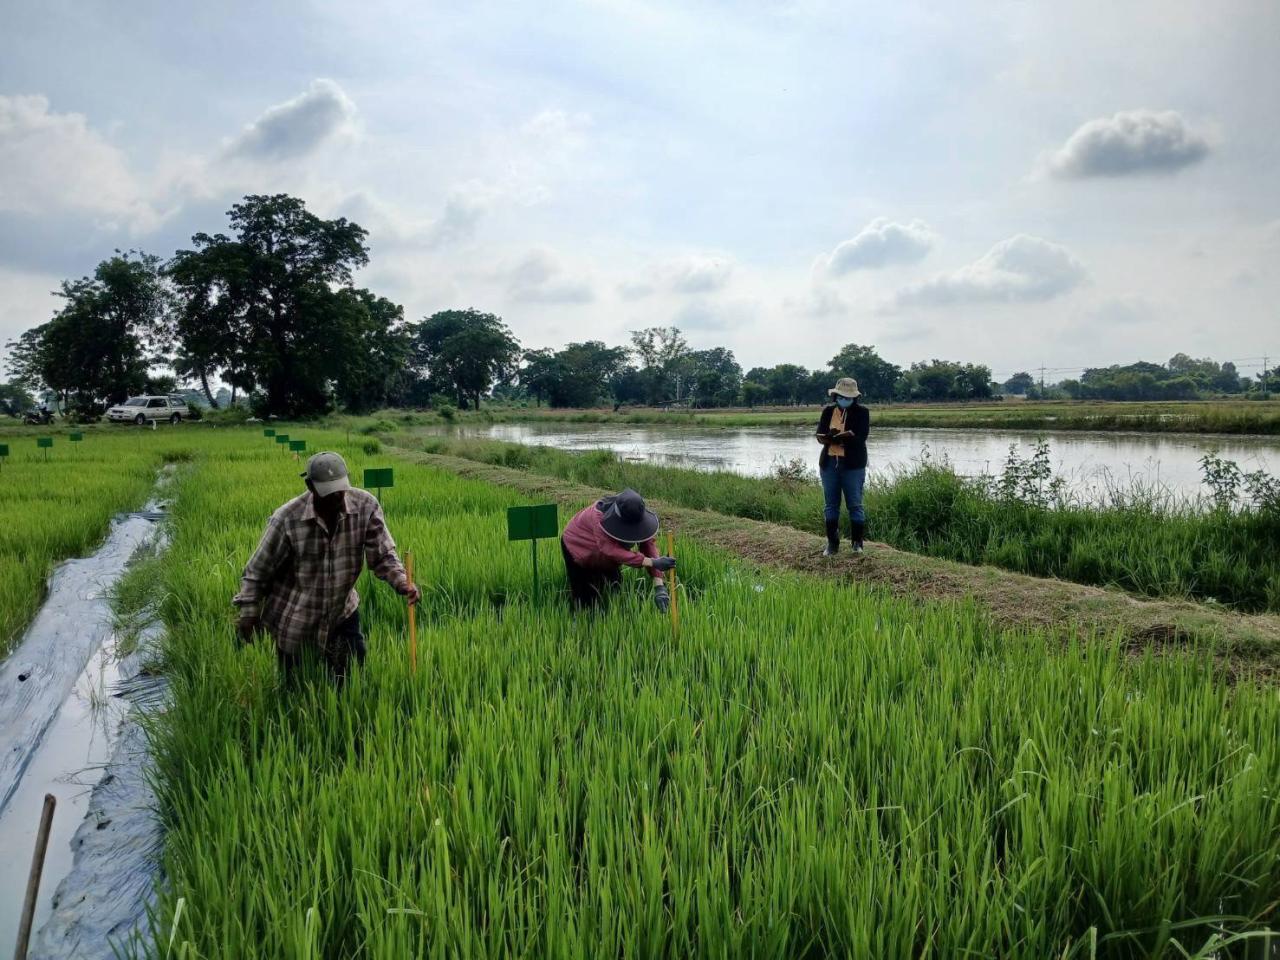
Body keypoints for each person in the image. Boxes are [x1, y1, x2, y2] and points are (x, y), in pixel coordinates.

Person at [233, 451, 421, 683]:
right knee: (298, 689)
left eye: (341, 490)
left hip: (342, 612)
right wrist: (249, 614)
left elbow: (383, 555)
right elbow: (257, 572)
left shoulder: (365, 506)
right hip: (297, 619)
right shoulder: (287, 519)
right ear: (310, 486)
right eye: (328, 493)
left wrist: (402, 582)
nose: (336, 498)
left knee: (351, 679)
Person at [560, 488, 676, 611]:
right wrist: (652, 562)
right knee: (587, 601)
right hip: (578, 549)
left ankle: (610, 618)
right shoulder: (599, 517)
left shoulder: (635, 514)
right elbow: (610, 550)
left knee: (615, 589)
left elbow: (648, 545)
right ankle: (582, 623)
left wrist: (659, 586)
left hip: (606, 559)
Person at [815, 377, 870, 555]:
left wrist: (846, 438)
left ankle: (857, 543)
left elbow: (861, 437)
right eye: (841, 396)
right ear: (836, 396)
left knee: (855, 504)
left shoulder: (862, 413)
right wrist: (829, 437)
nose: (844, 399)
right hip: (830, 463)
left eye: (848, 397)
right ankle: (832, 543)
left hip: (853, 465)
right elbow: (820, 434)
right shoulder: (828, 411)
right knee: (831, 505)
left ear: (854, 398)